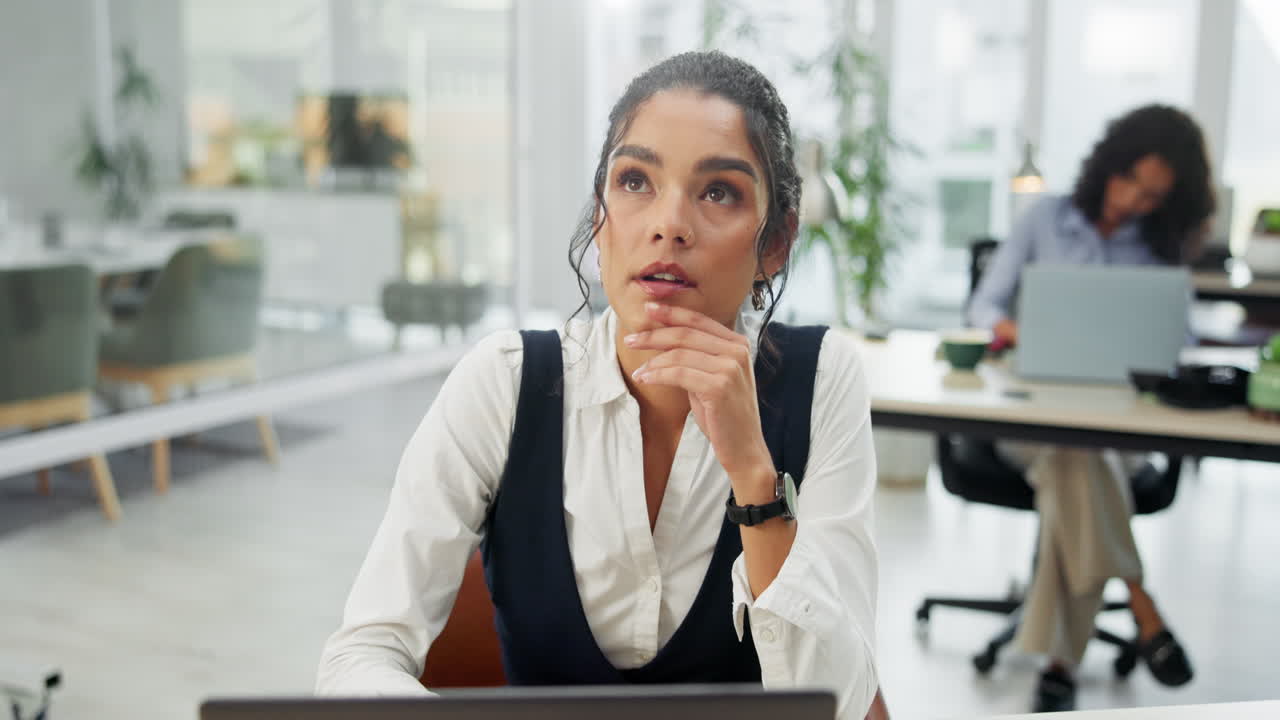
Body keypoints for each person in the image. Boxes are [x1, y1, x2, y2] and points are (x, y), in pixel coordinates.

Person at [316, 51, 881, 720]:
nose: (668, 224)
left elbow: (845, 707)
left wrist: (755, 480)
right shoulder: (503, 383)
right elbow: (361, 656)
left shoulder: (822, 381)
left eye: (719, 190)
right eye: (636, 181)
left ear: (776, 243)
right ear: (599, 217)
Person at [969, 104, 1214, 712]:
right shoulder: (1044, 219)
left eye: (1154, 195)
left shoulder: (1160, 250)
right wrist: (1023, 332)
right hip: (1032, 418)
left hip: (1118, 432)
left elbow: (1180, 343)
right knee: (1075, 457)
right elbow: (982, 307)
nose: (1135, 200)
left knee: (1076, 465)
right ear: (1108, 165)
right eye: (1130, 181)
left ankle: (1066, 658)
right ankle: (1135, 603)